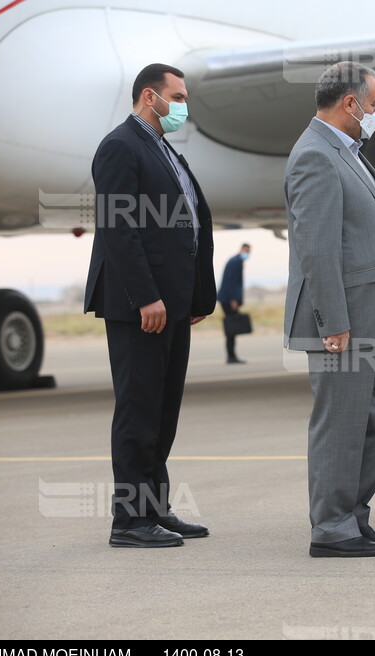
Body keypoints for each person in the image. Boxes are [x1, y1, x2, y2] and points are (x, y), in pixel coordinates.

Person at [83, 63, 217, 548]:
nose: (183, 105)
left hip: (172, 304)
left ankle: (155, 509)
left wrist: (197, 296)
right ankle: (130, 521)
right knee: (139, 411)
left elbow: (190, 227)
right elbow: (119, 231)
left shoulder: (162, 148)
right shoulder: (121, 147)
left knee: (163, 411)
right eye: (176, 96)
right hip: (141, 305)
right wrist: (148, 297)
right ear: (148, 96)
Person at [284, 61, 375, 558]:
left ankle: (354, 514)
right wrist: (332, 321)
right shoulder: (314, 155)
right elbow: (316, 248)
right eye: (373, 104)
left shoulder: (348, 151)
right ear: (350, 103)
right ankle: (332, 528)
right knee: (341, 423)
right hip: (345, 321)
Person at [218, 243, 250, 364]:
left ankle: (232, 355)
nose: (247, 254)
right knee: (231, 329)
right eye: (246, 251)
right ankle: (231, 356)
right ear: (241, 250)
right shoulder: (236, 262)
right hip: (229, 299)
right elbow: (232, 282)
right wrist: (234, 299)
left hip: (227, 298)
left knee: (232, 329)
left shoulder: (235, 261)